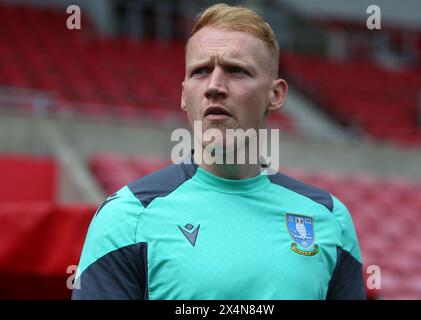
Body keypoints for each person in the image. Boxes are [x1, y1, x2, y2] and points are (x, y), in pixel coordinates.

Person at [72, 3, 365, 300]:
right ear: (184, 95)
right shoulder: (128, 216)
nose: (214, 86)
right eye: (200, 72)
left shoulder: (329, 218)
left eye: (236, 71)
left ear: (275, 95)